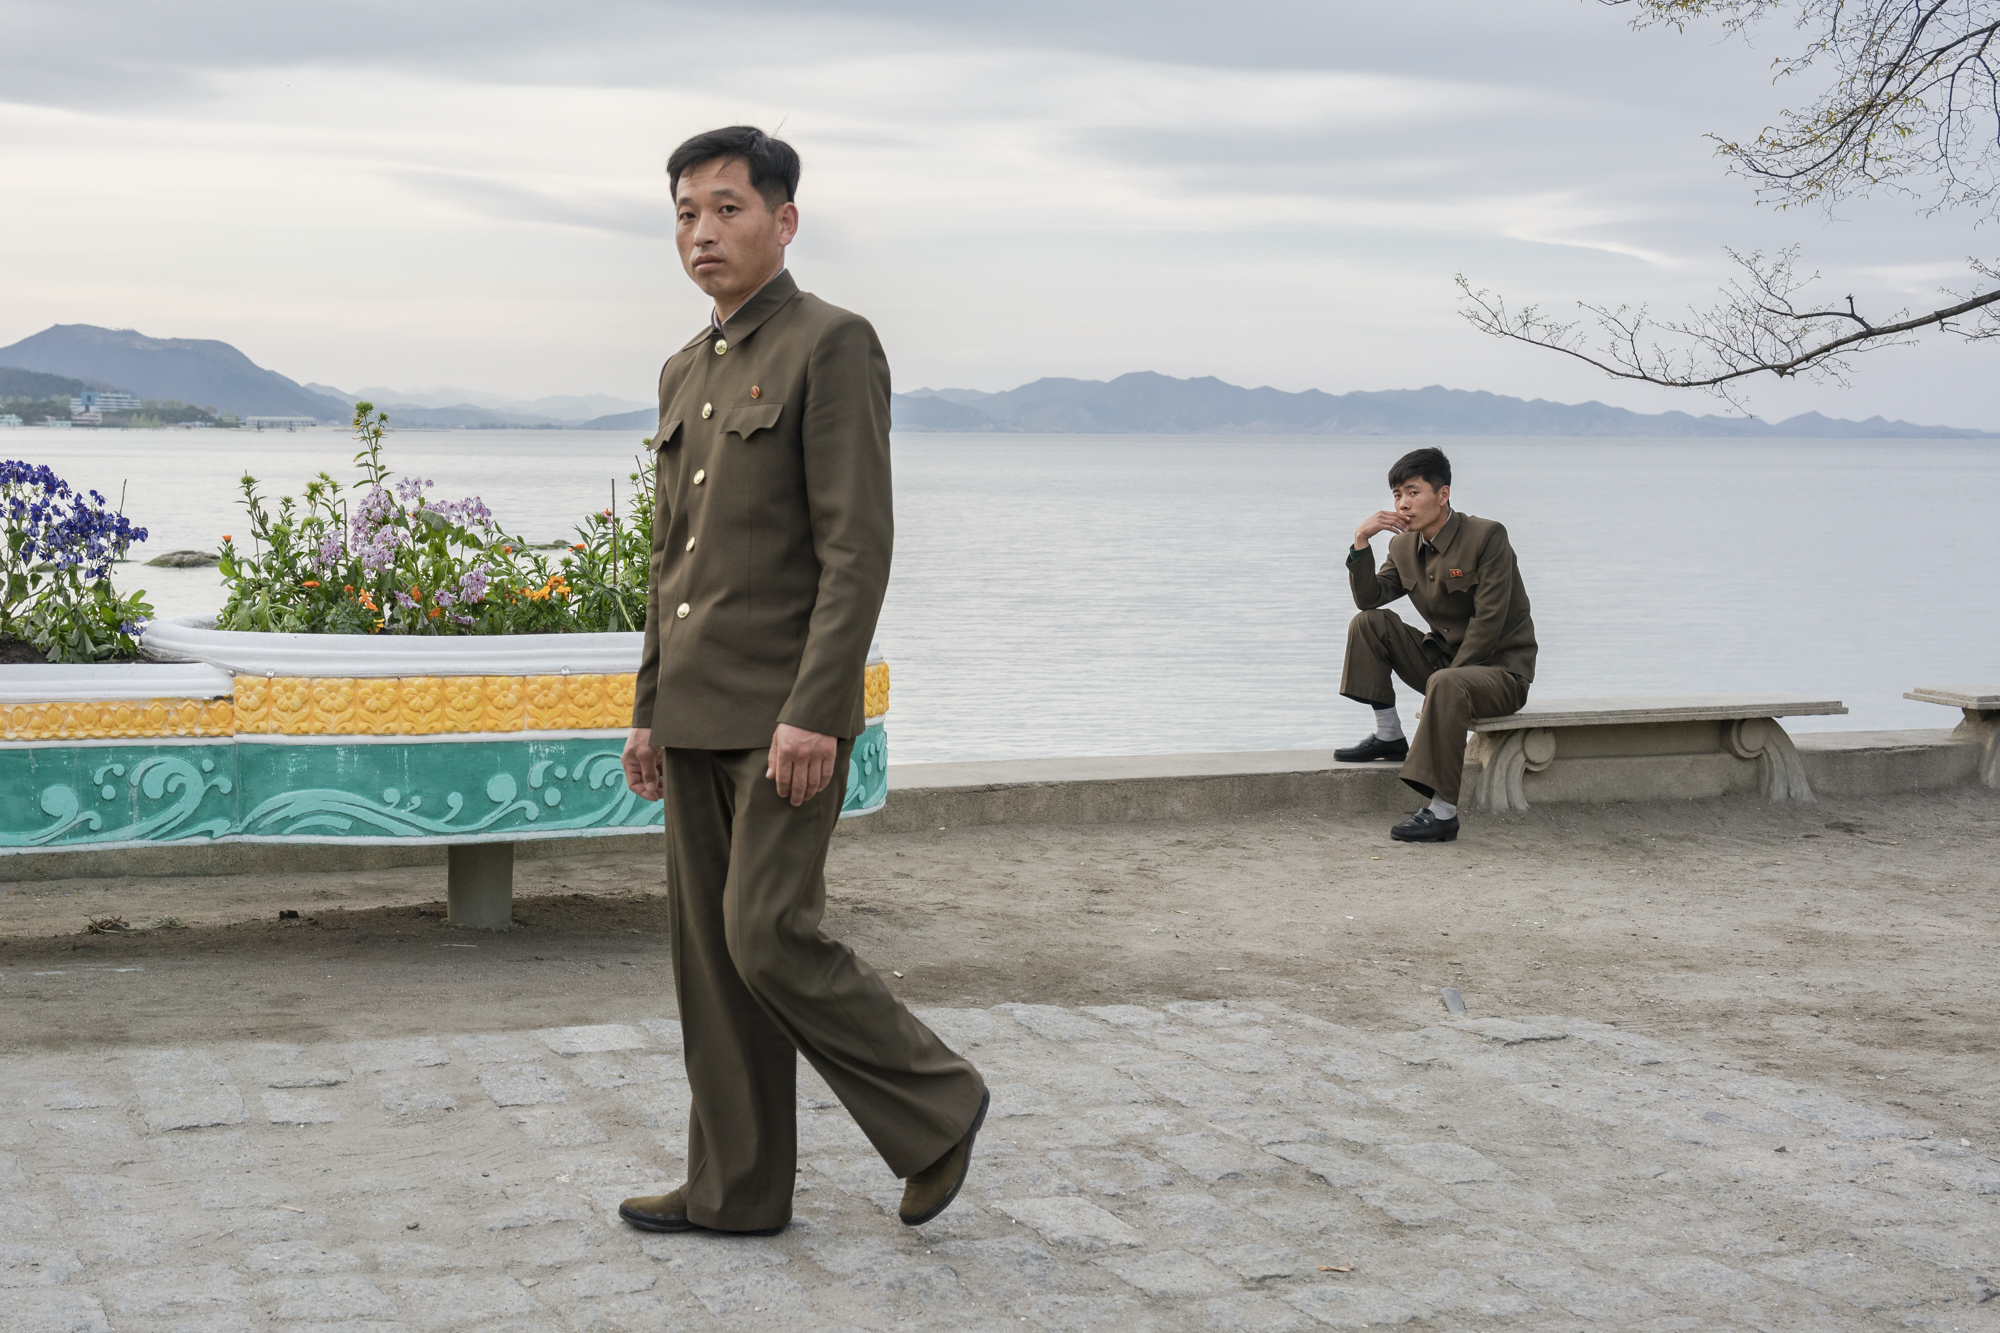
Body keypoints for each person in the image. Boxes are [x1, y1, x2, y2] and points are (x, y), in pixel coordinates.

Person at [616, 126, 987, 1237]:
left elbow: (854, 547)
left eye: (726, 208)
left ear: (783, 219)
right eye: (685, 213)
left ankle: (936, 1101)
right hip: (692, 710)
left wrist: (817, 709)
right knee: (710, 965)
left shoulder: (833, 343)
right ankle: (735, 1188)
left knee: (766, 931)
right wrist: (645, 706)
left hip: (782, 715)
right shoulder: (686, 366)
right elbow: (668, 556)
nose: (701, 232)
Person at [1335, 447, 1536, 842]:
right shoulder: (1403, 546)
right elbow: (1369, 598)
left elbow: (1489, 622)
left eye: (1412, 492)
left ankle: (1442, 812)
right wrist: (1361, 540)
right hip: (1444, 666)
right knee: (1369, 624)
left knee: (1446, 683)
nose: (1403, 504)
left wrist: (1449, 677)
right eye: (1396, 495)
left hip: (1500, 673)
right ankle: (1389, 736)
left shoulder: (1487, 536)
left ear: (1443, 494)